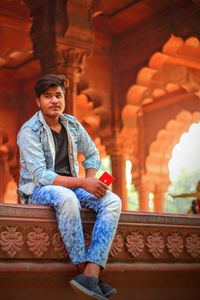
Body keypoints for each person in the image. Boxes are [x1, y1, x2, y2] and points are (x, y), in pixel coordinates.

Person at [17, 74, 122, 300]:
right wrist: (84, 182)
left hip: (73, 186)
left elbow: (93, 154)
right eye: (48, 96)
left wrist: (92, 182)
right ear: (38, 101)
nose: (54, 101)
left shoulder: (72, 125)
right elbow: (40, 175)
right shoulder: (29, 131)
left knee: (113, 200)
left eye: (58, 95)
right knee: (67, 198)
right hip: (37, 191)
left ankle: (91, 273)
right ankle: (80, 268)